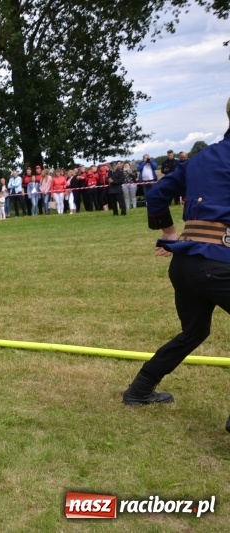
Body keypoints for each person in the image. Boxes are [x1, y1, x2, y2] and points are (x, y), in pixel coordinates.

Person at [121, 98, 230, 430]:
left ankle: (139, 389)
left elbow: (156, 196)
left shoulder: (199, 159)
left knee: (195, 331)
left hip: (185, 264)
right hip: (219, 263)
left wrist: (170, 232)